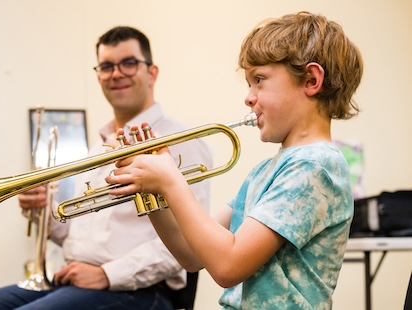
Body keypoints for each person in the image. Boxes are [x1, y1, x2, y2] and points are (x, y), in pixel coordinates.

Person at [106, 11, 364, 309]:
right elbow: (190, 256)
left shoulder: (315, 166)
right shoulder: (268, 169)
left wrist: (170, 180)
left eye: (259, 80)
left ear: (311, 79)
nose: (249, 97)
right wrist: (153, 191)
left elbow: (228, 266)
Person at [0, 26, 212, 310]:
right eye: (107, 66)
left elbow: (189, 241)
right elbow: (79, 235)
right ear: (98, 77)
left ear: (152, 72)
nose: (116, 73)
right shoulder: (99, 147)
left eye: (129, 63)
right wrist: (43, 212)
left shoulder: (179, 141)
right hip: (76, 280)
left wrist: (107, 275)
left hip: (143, 291)